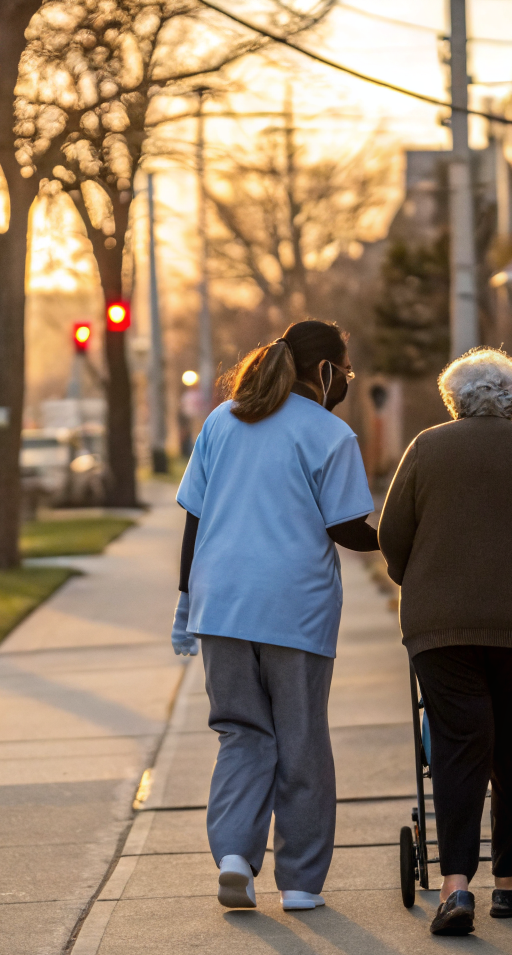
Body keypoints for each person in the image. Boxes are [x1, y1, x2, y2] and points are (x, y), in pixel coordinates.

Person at [378, 348, 512, 936]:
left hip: (442, 629)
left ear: (454, 401)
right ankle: (508, 885)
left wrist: (421, 582)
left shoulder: (426, 448)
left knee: (458, 744)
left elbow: (393, 535)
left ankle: (455, 888)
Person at [171, 320, 379, 912]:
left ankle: (234, 854)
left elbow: (194, 518)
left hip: (222, 605)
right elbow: (346, 530)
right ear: (325, 371)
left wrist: (186, 602)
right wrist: (403, 537)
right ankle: (301, 885)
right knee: (301, 739)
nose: (348, 379)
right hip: (295, 607)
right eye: (346, 368)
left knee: (241, 733)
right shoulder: (328, 434)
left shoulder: (221, 421)